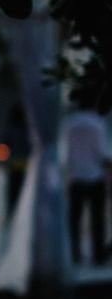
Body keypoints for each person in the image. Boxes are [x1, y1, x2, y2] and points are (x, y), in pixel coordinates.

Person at [63, 102, 110, 265]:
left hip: (76, 177)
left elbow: (66, 153)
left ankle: (74, 254)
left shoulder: (69, 124)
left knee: (74, 220)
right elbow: (102, 152)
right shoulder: (98, 123)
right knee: (97, 218)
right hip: (95, 176)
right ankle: (98, 255)